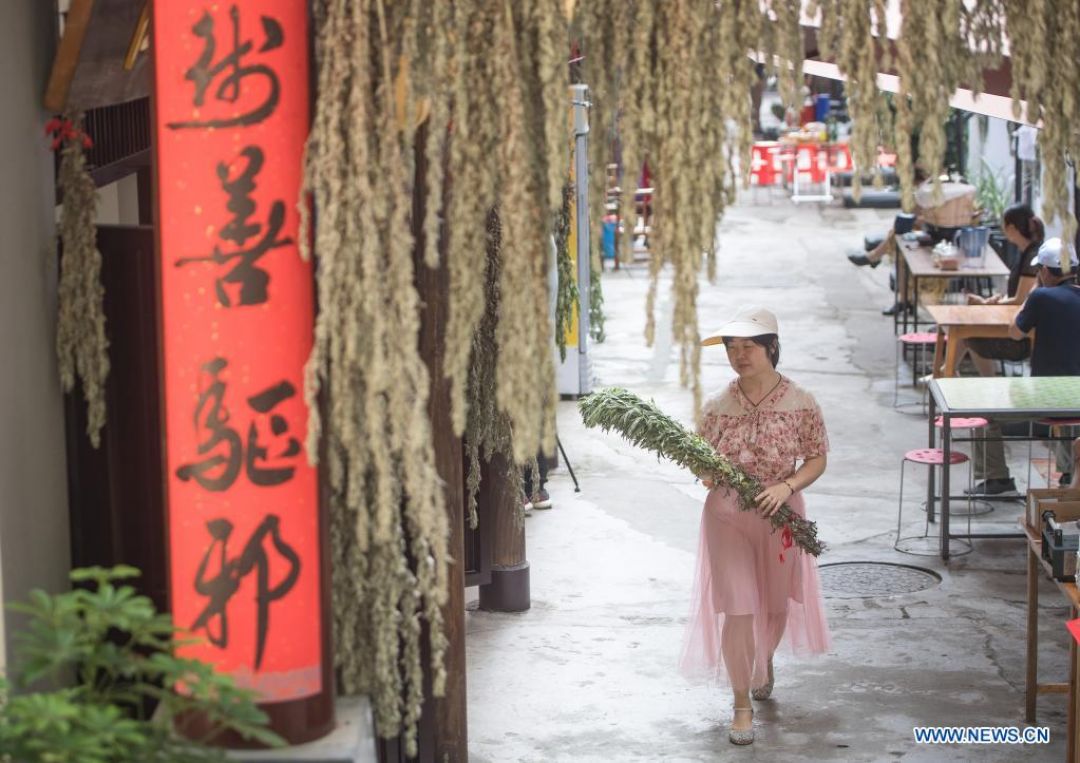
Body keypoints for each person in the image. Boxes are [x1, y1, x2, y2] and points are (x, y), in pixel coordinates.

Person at [680, 306, 830, 745]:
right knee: (740, 606)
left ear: (772, 348)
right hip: (726, 514)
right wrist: (705, 473)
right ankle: (741, 703)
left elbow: (817, 457)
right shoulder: (716, 406)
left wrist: (787, 486)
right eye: (732, 347)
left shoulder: (802, 401)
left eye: (749, 346)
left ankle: (761, 657)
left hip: (781, 515)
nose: (739, 355)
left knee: (776, 606)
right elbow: (699, 461)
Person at [970, 238, 1080, 494]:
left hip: (1046, 398)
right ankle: (1068, 474)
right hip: (1077, 396)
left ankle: (997, 480)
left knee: (986, 415)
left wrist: (1030, 297)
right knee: (1069, 412)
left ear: (1043, 271)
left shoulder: (1041, 296)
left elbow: (1015, 333)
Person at [951, 204, 1042, 375]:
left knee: (964, 333)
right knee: (964, 328)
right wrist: (995, 300)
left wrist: (987, 303)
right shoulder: (1026, 252)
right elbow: (1017, 296)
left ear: (1011, 228)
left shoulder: (1032, 257)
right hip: (1018, 325)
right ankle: (948, 371)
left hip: (1021, 336)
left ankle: (948, 372)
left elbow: (1020, 300)